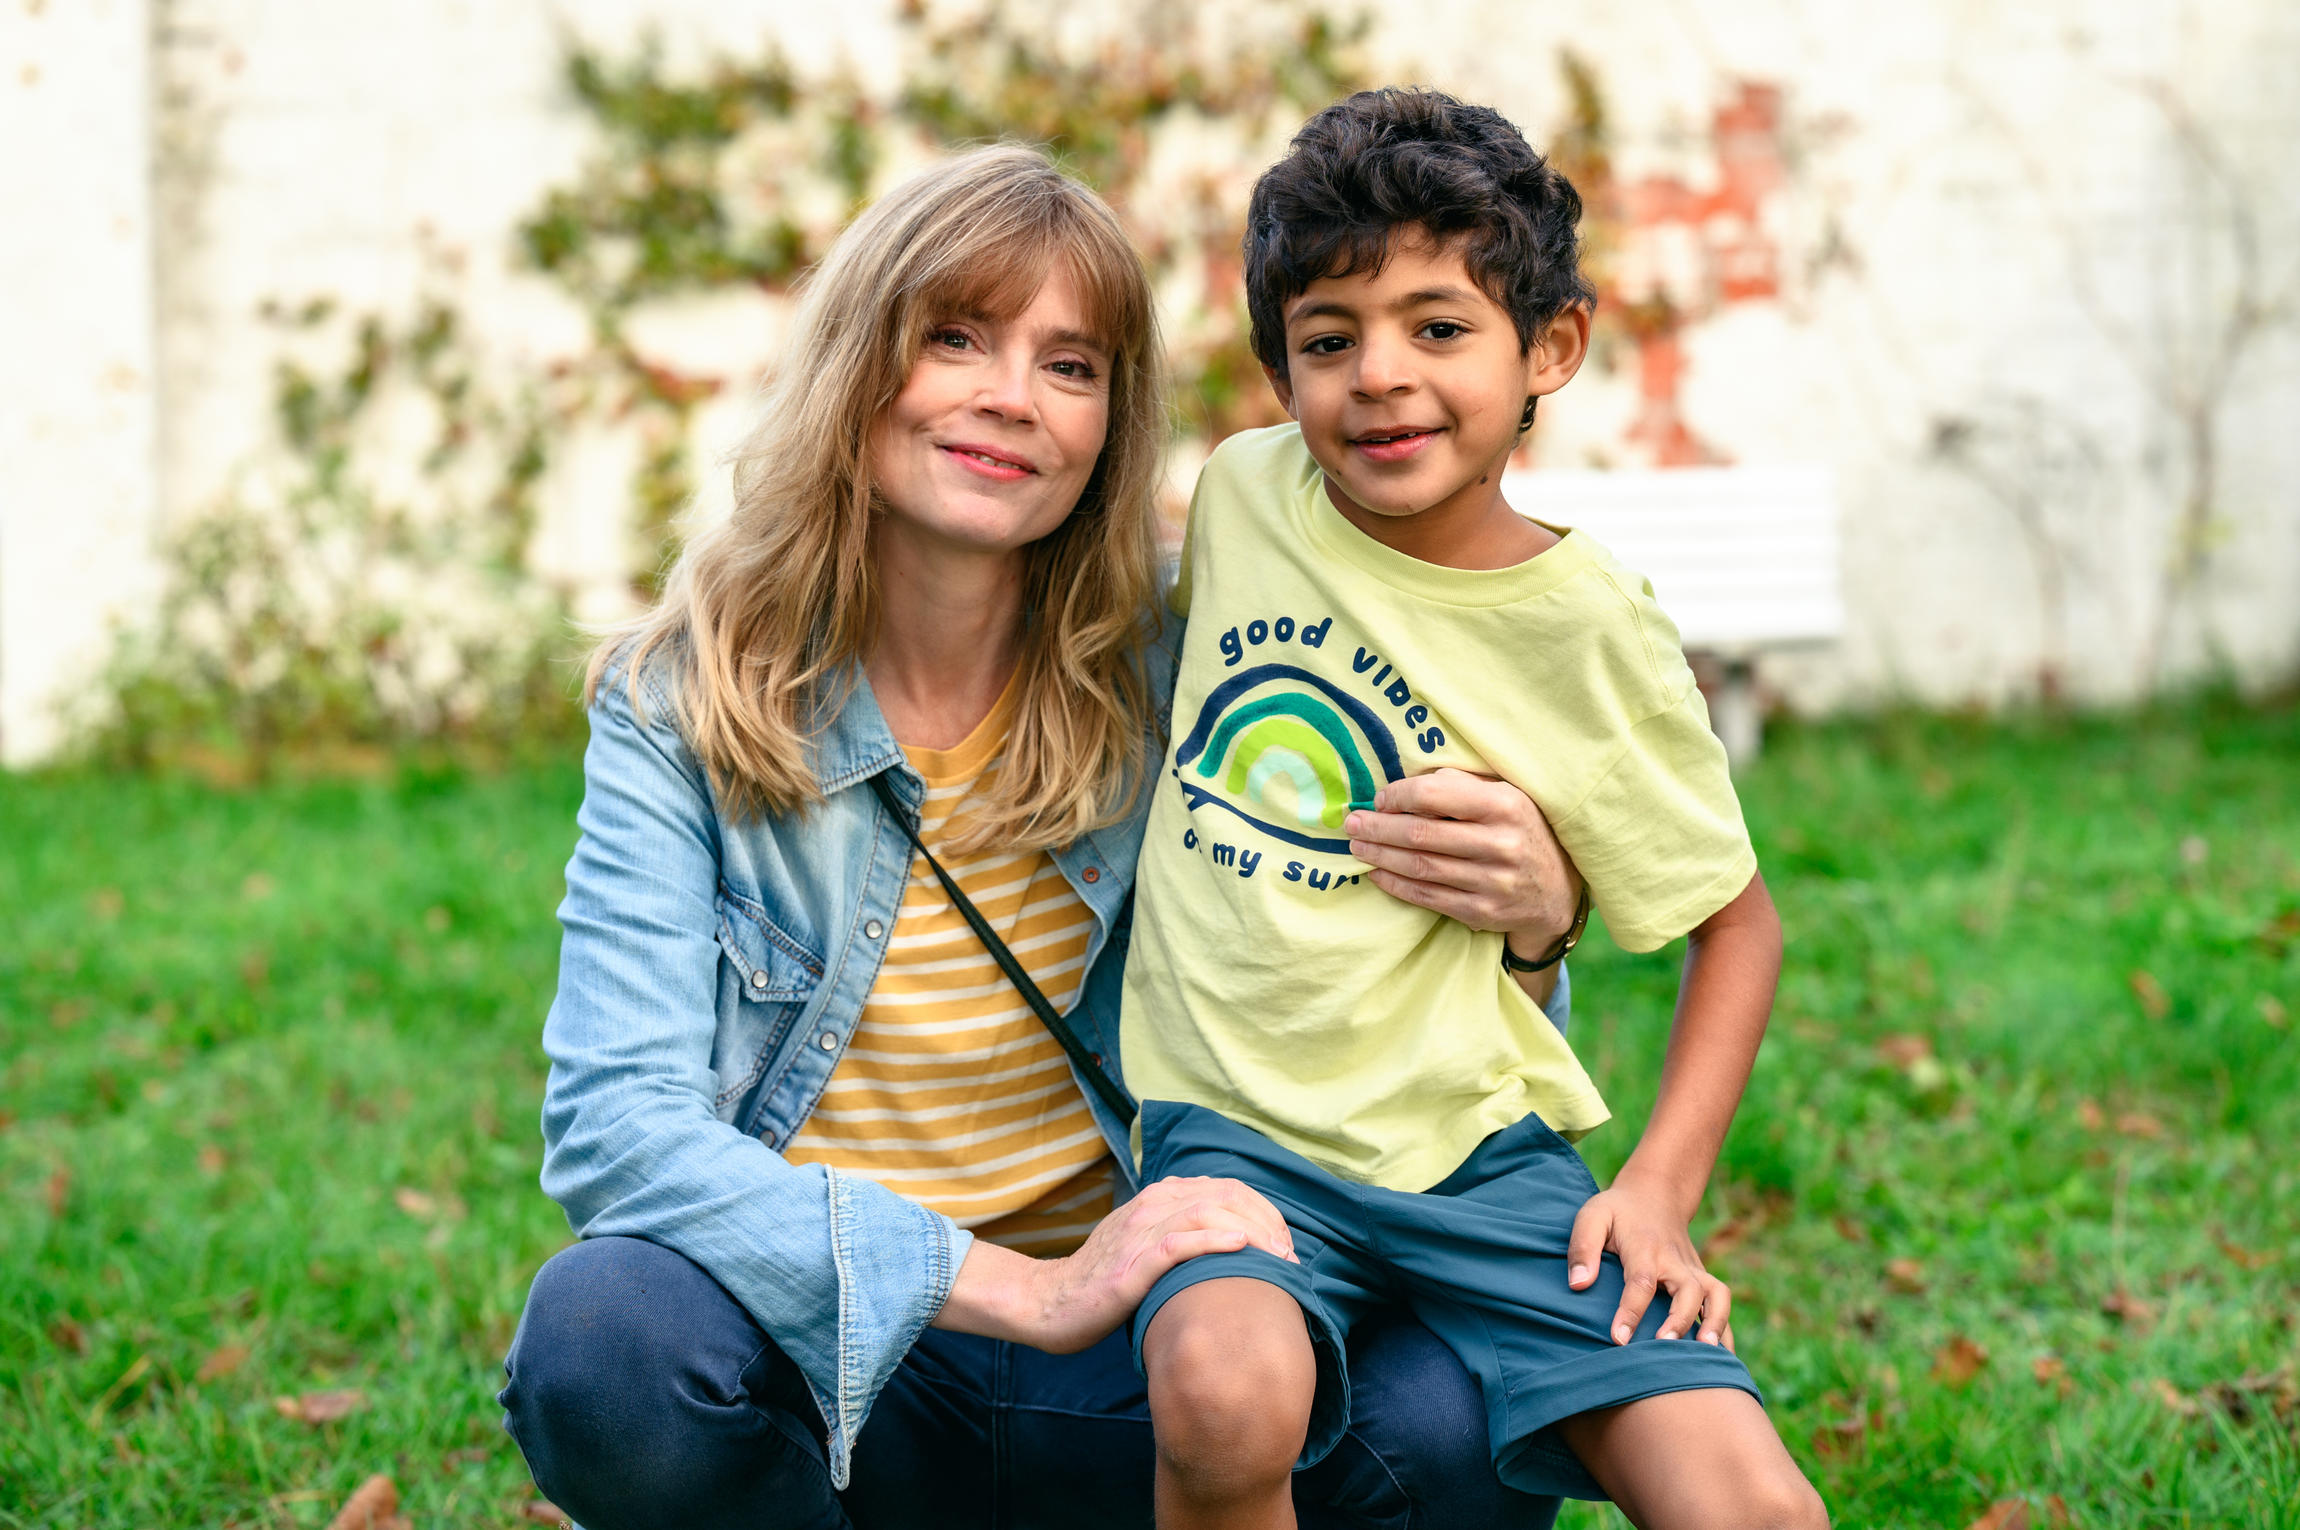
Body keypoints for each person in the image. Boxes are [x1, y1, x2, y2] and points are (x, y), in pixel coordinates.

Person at [497, 144, 1592, 1529]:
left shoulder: (1197, 667)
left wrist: (1535, 922)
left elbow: (1402, 1017)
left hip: (1153, 1372)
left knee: (1461, 1402)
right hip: (843, 1371)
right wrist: (1024, 1288)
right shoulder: (684, 700)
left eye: (1070, 365)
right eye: (955, 337)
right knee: (606, 1336)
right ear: (857, 367)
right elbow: (618, 1131)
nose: (1011, 398)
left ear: (1108, 425)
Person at [1119, 91, 1830, 1530]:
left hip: (1478, 1154)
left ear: (1547, 349)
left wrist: (1660, 1187)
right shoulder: (1248, 497)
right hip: (1236, 1134)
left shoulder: (1588, 628)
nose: (1380, 377)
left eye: (1439, 327)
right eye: (1330, 339)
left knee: (1755, 1506)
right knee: (1223, 1389)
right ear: (1278, 371)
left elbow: (1735, 929)